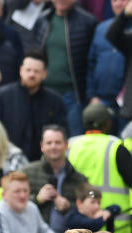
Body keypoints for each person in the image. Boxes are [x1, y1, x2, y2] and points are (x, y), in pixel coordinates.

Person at [0, 49, 67, 162]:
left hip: (43, 164)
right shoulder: (3, 96)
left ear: (44, 74)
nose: (31, 75)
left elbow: (62, 132)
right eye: (28, 70)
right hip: (7, 161)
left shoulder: (55, 101)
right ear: (21, 70)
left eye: (36, 71)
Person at [41, 0, 98, 138]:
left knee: (75, 139)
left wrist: (91, 93)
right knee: (46, 139)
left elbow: (93, 60)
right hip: (45, 92)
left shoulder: (87, 22)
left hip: (73, 95)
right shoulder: (43, 19)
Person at [87, 0, 132, 132]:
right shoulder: (101, 29)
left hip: (128, 101)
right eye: (115, 0)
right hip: (102, 100)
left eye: (124, 0)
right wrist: (92, 96)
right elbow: (91, 64)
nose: (119, 4)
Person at [21, 125, 88, 223]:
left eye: (58, 142)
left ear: (66, 145)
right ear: (42, 146)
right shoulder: (27, 173)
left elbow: (88, 211)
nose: (53, 146)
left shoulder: (79, 179)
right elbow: (13, 204)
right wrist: (37, 199)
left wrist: (69, 207)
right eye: (49, 143)